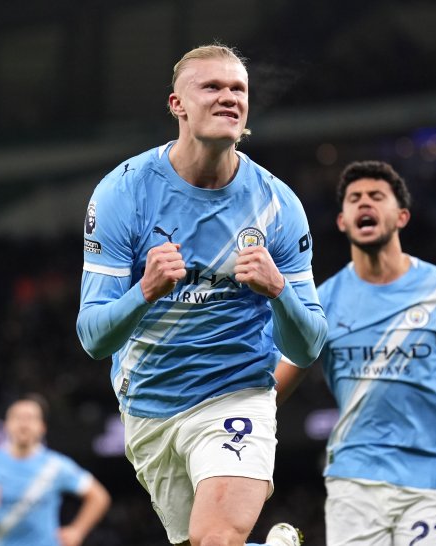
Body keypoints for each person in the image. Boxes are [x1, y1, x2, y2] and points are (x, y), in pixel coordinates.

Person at [75, 42, 326, 546]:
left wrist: (279, 291)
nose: (228, 97)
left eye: (239, 89)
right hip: (149, 402)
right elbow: (93, 337)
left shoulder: (277, 205)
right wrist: (144, 291)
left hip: (238, 391)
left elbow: (308, 345)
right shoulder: (123, 192)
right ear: (177, 105)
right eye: (211, 87)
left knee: (215, 539)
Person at [275, 160, 436, 545]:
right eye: (354, 199)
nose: (364, 204)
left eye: (377, 196)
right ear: (342, 220)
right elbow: (275, 388)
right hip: (354, 480)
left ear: (402, 216)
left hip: (434, 482)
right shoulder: (322, 302)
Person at [0, 395, 111, 546]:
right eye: (18, 418)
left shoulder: (56, 465)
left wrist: (77, 531)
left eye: (30, 418)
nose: (24, 424)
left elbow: (99, 497)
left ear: (42, 427)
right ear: (6, 425)